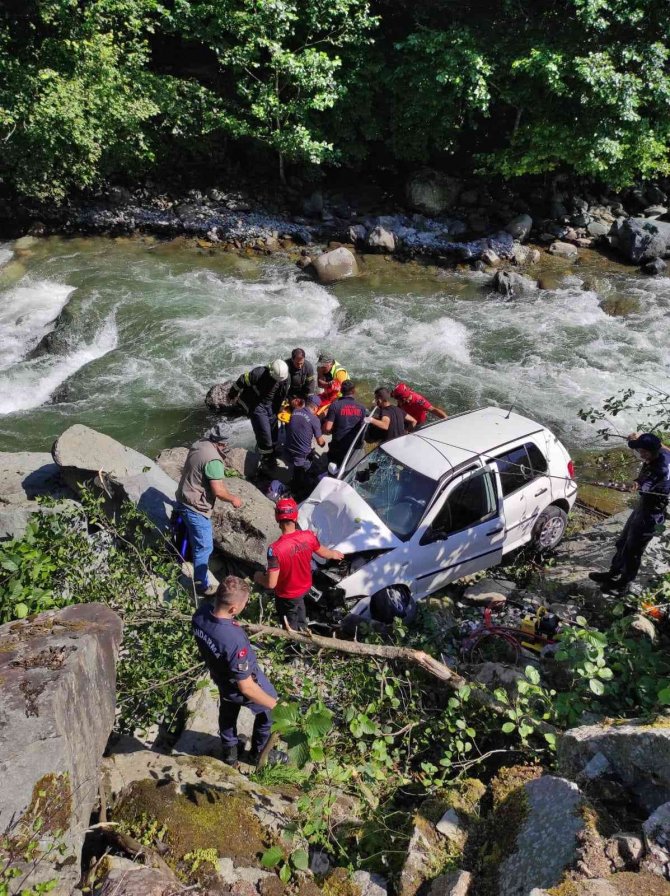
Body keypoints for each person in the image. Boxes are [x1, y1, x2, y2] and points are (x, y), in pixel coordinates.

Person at [192, 576, 283, 767]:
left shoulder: (200, 615)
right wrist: (277, 706)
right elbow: (247, 687)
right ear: (234, 609)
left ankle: (230, 753)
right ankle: (259, 754)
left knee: (227, 712)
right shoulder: (234, 640)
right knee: (267, 713)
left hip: (220, 677)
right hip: (240, 681)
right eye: (244, 603)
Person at [589, 432, 670, 592]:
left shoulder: (657, 471)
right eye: (639, 450)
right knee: (623, 542)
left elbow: (631, 487)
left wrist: (602, 483)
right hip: (644, 506)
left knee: (633, 551)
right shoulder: (663, 451)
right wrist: (635, 439)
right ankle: (614, 572)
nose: (640, 454)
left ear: (652, 451)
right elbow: (663, 447)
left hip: (651, 513)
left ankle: (624, 583)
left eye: (643, 452)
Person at [254, 498, 344, 630]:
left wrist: (258, 577)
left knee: (291, 622)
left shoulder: (275, 549)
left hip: (288, 594)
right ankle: (302, 624)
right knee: (299, 606)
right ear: (296, 517)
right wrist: (334, 554)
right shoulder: (308, 537)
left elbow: (271, 583)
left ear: (276, 518)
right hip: (305, 585)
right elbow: (324, 553)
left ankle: (297, 640)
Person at [176, 423, 243, 596]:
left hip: (183, 496)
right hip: (195, 507)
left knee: (191, 534)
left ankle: (184, 556)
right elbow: (219, 491)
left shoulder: (199, 444)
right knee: (205, 546)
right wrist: (233, 498)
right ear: (222, 443)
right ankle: (201, 585)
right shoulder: (214, 461)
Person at [229, 360, 290, 464]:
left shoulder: (285, 377)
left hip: (272, 406)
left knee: (273, 429)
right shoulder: (259, 373)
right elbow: (242, 380)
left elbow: (283, 393)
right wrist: (232, 394)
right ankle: (266, 458)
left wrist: (281, 407)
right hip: (258, 405)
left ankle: (273, 450)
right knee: (264, 433)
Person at [285, 393, 325, 497]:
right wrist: (324, 442)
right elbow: (320, 443)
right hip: (301, 456)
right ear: (316, 408)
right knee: (305, 475)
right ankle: (299, 491)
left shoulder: (295, 412)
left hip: (288, 451)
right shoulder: (314, 419)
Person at [323, 380, 367, 468]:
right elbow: (362, 428)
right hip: (353, 445)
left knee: (333, 467)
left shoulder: (335, 405)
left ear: (341, 391)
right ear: (354, 391)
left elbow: (328, 428)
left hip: (338, 445)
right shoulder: (362, 407)